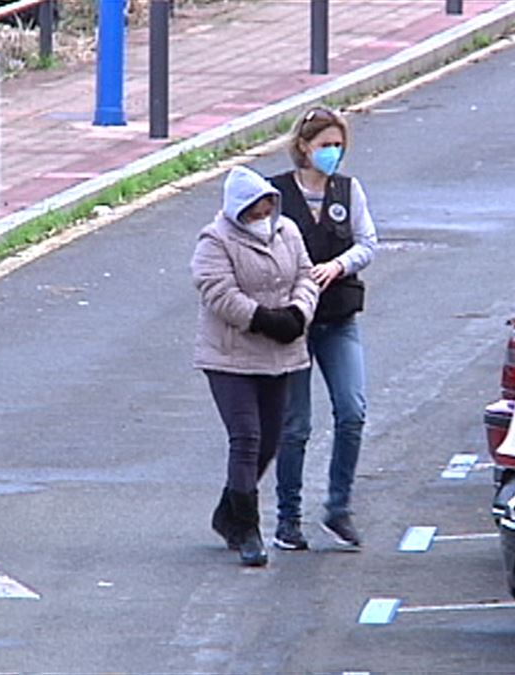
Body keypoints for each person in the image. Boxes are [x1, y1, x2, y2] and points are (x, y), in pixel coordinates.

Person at [191, 165, 319, 567]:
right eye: (254, 212)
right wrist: (262, 318)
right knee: (245, 437)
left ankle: (228, 511)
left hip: (280, 352)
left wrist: (298, 313)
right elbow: (217, 291)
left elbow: (306, 276)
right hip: (231, 354)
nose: (262, 218)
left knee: (269, 440)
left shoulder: (289, 233)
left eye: (267, 209)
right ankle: (248, 528)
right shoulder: (215, 241)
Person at [269, 106, 378, 551]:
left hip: (337, 318)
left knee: (352, 410)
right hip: (294, 323)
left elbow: (368, 242)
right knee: (295, 425)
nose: (332, 154)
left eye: (338, 146)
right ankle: (287, 518)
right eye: (324, 146)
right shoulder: (274, 194)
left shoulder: (348, 192)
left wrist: (339, 264)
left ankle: (339, 506)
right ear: (303, 147)